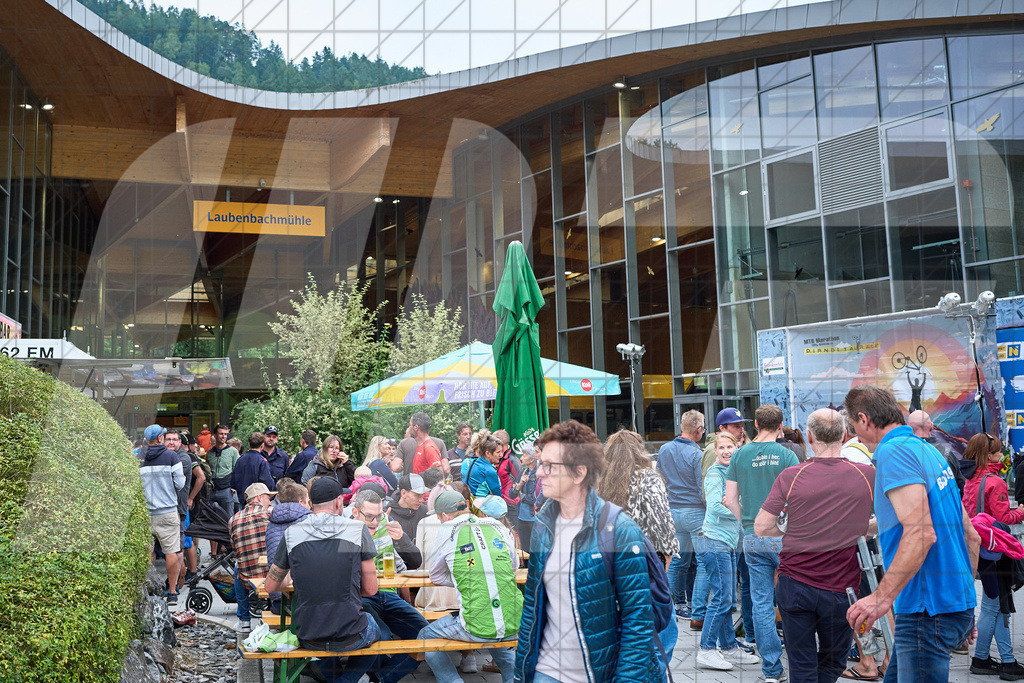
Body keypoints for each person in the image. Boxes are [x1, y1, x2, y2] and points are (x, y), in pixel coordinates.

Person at [844, 385, 981, 682]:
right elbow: (970, 535)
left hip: (925, 610)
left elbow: (921, 534)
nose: (855, 435)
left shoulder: (893, 452)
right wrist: (964, 604)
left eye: (853, 426)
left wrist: (880, 598)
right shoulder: (927, 450)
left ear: (864, 419)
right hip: (948, 605)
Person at [514, 420, 664, 682]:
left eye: (549, 466)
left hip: (599, 673)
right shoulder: (542, 529)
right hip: (547, 672)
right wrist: (521, 674)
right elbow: (532, 608)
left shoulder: (618, 530)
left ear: (578, 473)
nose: (538, 473)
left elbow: (638, 621)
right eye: (541, 464)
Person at [753, 409, 876, 683]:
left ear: (808, 437)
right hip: (841, 588)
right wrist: (858, 528)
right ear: (845, 435)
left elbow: (761, 527)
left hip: (795, 583)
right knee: (834, 661)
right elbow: (890, 520)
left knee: (801, 664)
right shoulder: (867, 474)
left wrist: (793, 530)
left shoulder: (791, 476)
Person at [263, 478, 382, 683]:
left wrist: (294, 576)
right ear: (338, 501)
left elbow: (270, 586)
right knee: (380, 629)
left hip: (308, 635)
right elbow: (371, 590)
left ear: (310, 503)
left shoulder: (291, 534)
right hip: (350, 635)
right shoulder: (357, 530)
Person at [724, 403, 799, 683]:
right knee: (793, 599)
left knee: (761, 602)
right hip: (784, 537)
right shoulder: (787, 455)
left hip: (753, 537)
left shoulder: (739, 455)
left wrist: (746, 524)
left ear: (755, 424)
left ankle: (771, 670)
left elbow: (730, 499)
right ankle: (799, 660)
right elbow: (797, 498)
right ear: (781, 426)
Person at [418, 489, 522, 683]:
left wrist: (464, 579)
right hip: (514, 619)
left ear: (446, 515)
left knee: (426, 635)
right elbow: (514, 566)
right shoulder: (496, 524)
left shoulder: (448, 527)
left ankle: (453, 680)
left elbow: (436, 575)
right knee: (497, 636)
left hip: (475, 626)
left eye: (439, 517)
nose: (440, 520)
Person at [596, 430, 680, 659]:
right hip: (644, 564)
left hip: (608, 566)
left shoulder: (599, 481)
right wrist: (664, 564)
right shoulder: (649, 478)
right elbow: (663, 527)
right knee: (663, 633)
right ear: (639, 451)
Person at [695, 431, 760, 671]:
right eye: (720, 448)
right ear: (715, 451)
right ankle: (707, 649)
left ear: (737, 448)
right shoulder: (715, 473)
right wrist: (743, 510)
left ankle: (730, 647)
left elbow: (729, 502)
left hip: (727, 542)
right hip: (714, 542)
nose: (725, 451)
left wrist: (731, 501)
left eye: (729, 447)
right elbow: (714, 506)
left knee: (727, 599)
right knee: (722, 598)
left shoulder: (733, 473)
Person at [961, 432, 1024, 679]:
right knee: (993, 605)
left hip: (978, 547)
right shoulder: (994, 482)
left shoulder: (970, 479)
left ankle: (995, 659)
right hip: (996, 549)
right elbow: (1003, 519)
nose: (1002, 455)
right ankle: (987, 659)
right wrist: (1020, 511)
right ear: (989, 456)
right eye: (998, 451)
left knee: (997, 605)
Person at [350, 489, 428, 683]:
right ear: (355, 512)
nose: (375, 522)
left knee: (426, 634)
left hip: (388, 594)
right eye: (369, 517)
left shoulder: (389, 526)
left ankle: (381, 677)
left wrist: (402, 539)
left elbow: (413, 562)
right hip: (363, 597)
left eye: (379, 516)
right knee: (381, 637)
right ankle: (366, 674)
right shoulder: (346, 532)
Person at [657, 409, 708, 625]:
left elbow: (659, 478)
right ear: (698, 430)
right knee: (705, 563)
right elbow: (701, 486)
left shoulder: (664, 449)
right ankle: (698, 613)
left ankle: (671, 609)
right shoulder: (698, 455)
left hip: (672, 511)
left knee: (676, 562)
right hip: (695, 512)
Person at [139, 424, 185, 605]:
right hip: (167, 512)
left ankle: (149, 588)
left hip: (144, 514)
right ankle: (172, 592)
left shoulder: (137, 457)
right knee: (171, 551)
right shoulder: (171, 456)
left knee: (148, 552)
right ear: (159, 438)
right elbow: (180, 484)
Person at [228, 482, 275, 632]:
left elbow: (236, 551)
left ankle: (244, 620)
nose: (270, 501)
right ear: (260, 498)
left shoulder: (233, 519)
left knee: (237, 567)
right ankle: (273, 616)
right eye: (268, 498)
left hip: (246, 575)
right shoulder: (271, 514)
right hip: (271, 574)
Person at [262, 478, 312, 614]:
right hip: (304, 599)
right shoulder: (309, 520)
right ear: (300, 502)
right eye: (307, 502)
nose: (309, 506)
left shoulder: (272, 522)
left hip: (277, 599)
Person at [909, 410, 966, 493]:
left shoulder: (903, 455)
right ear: (931, 426)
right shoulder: (948, 453)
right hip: (945, 503)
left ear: (909, 428)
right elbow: (961, 486)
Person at [232, 432, 275, 509]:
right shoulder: (262, 461)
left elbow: (234, 481)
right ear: (262, 445)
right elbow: (268, 483)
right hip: (257, 502)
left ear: (249, 444)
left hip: (242, 500)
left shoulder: (240, 460)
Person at [384, 473, 430, 540]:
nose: (421, 500)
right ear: (403, 493)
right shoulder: (387, 514)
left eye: (422, 495)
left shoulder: (426, 512)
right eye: (417, 495)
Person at [207, 423, 239, 518]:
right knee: (211, 517)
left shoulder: (233, 451)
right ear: (215, 435)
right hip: (212, 489)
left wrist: (234, 487)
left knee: (229, 518)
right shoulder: (209, 453)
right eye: (221, 434)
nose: (223, 436)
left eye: (225, 434)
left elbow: (236, 470)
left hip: (226, 489)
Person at [511, 444, 540, 552]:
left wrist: (522, 496)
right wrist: (519, 485)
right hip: (521, 517)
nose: (521, 458)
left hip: (534, 518)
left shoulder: (539, 473)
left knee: (535, 550)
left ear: (532, 459)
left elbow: (536, 499)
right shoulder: (523, 472)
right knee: (525, 550)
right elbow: (512, 494)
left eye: (524, 455)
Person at [463, 429, 503, 497]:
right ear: (487, 453)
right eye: (498, 452)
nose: (501, 455)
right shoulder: (488, 470)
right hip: (481, 506)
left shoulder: (474, 463)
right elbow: (497, 497)